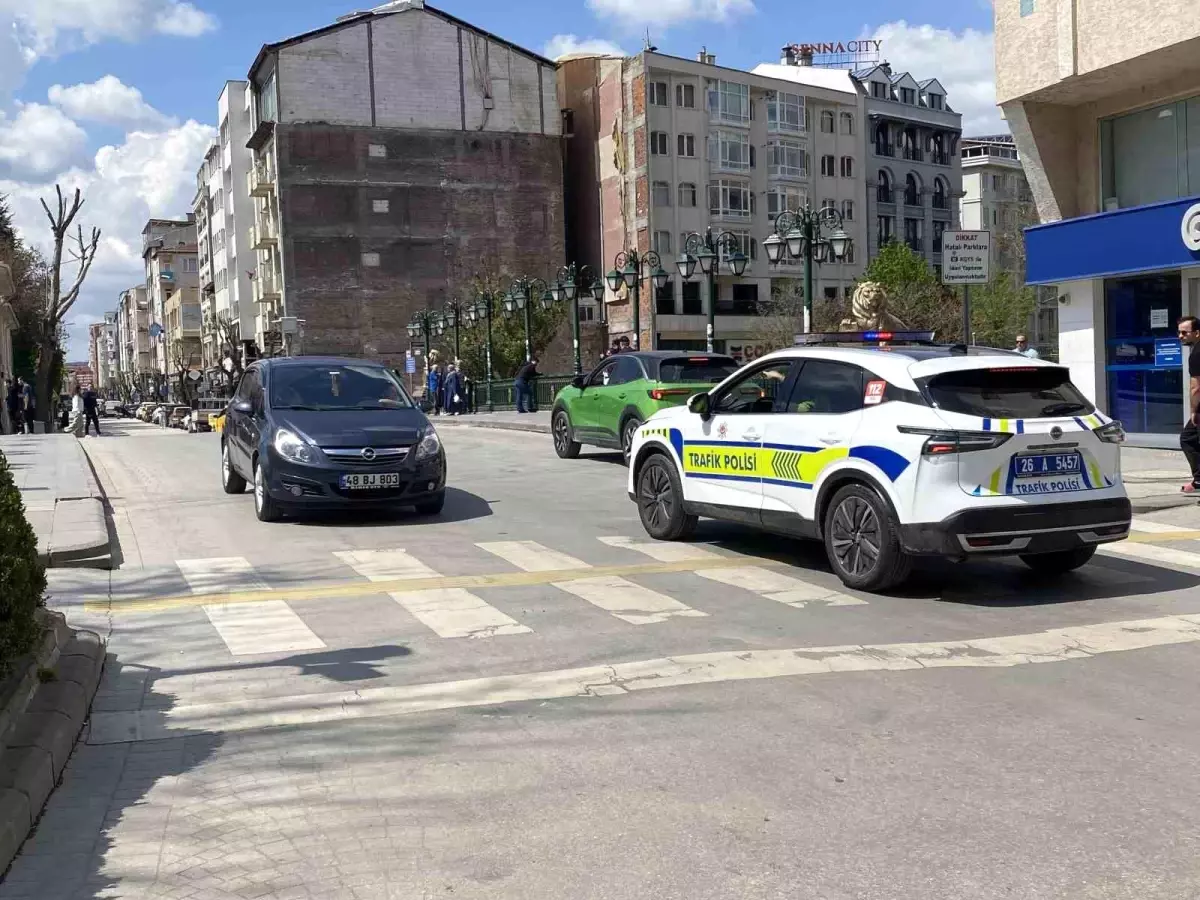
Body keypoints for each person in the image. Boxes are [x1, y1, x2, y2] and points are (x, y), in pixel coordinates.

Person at [1178, 316, 1200, 493]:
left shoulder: (1196, 354)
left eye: (1184, 333)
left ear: (1197, 333)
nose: (1180, 336)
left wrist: (1194, 411)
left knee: (1188, 438)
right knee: (1189, 438)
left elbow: (1196, 387)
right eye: (1179, 332)